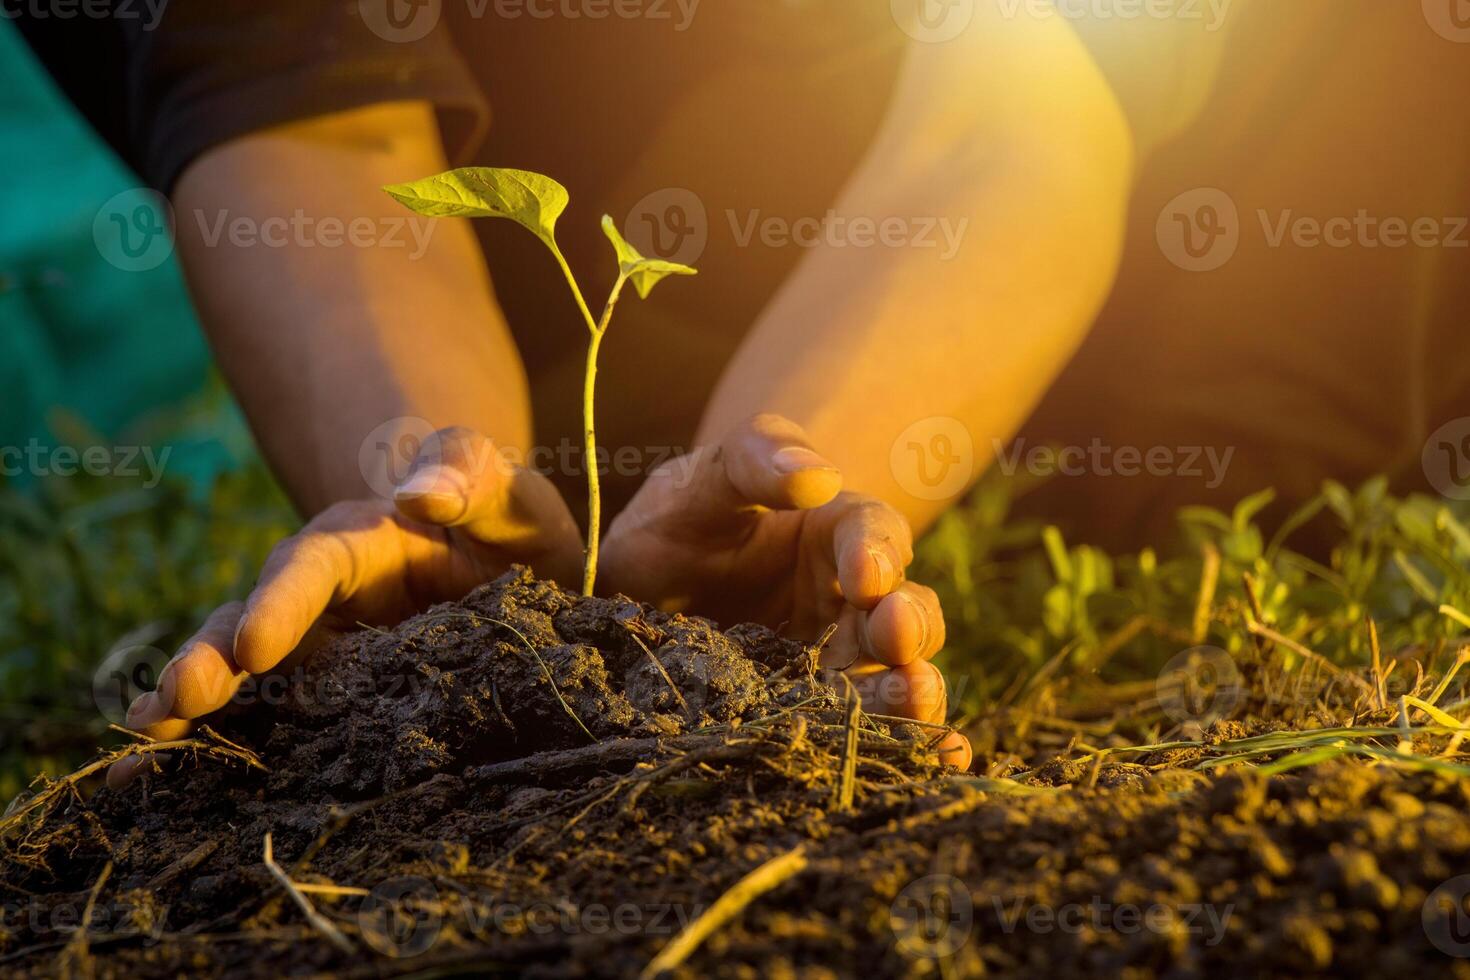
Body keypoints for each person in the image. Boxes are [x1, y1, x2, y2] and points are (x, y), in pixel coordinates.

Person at [10, 0, 1469, 786]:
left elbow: (1012, 107)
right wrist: (428, 485)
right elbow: (302, 98)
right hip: (561, 203)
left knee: (1246, 440)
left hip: (1066, 204)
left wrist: (792, 482)